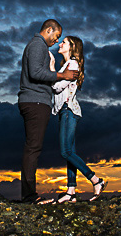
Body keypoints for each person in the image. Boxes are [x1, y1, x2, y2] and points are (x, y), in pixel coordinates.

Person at [18, 19, 78, 203]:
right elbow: (35, 72)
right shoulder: (37, 45)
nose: (56, 41)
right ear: (49, 30)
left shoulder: (40, 47)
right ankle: (29, 196)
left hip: (36, 101)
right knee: (33, 148)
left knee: (33, 147)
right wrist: (62, 75)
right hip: (35, 101)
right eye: (57, 36)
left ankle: (29, 194)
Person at [50, 35, 106, 202]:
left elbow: (56, 87)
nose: (60, 44)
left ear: (72, 47)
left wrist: (52, 68)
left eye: (64, 42)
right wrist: (57, 73)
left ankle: (96, 180)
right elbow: (58, 84)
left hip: (68, 111)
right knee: (70, 153)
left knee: (65, 151)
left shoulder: (72, 64)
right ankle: (71, 192)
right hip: (64, 111)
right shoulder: (66, 66)